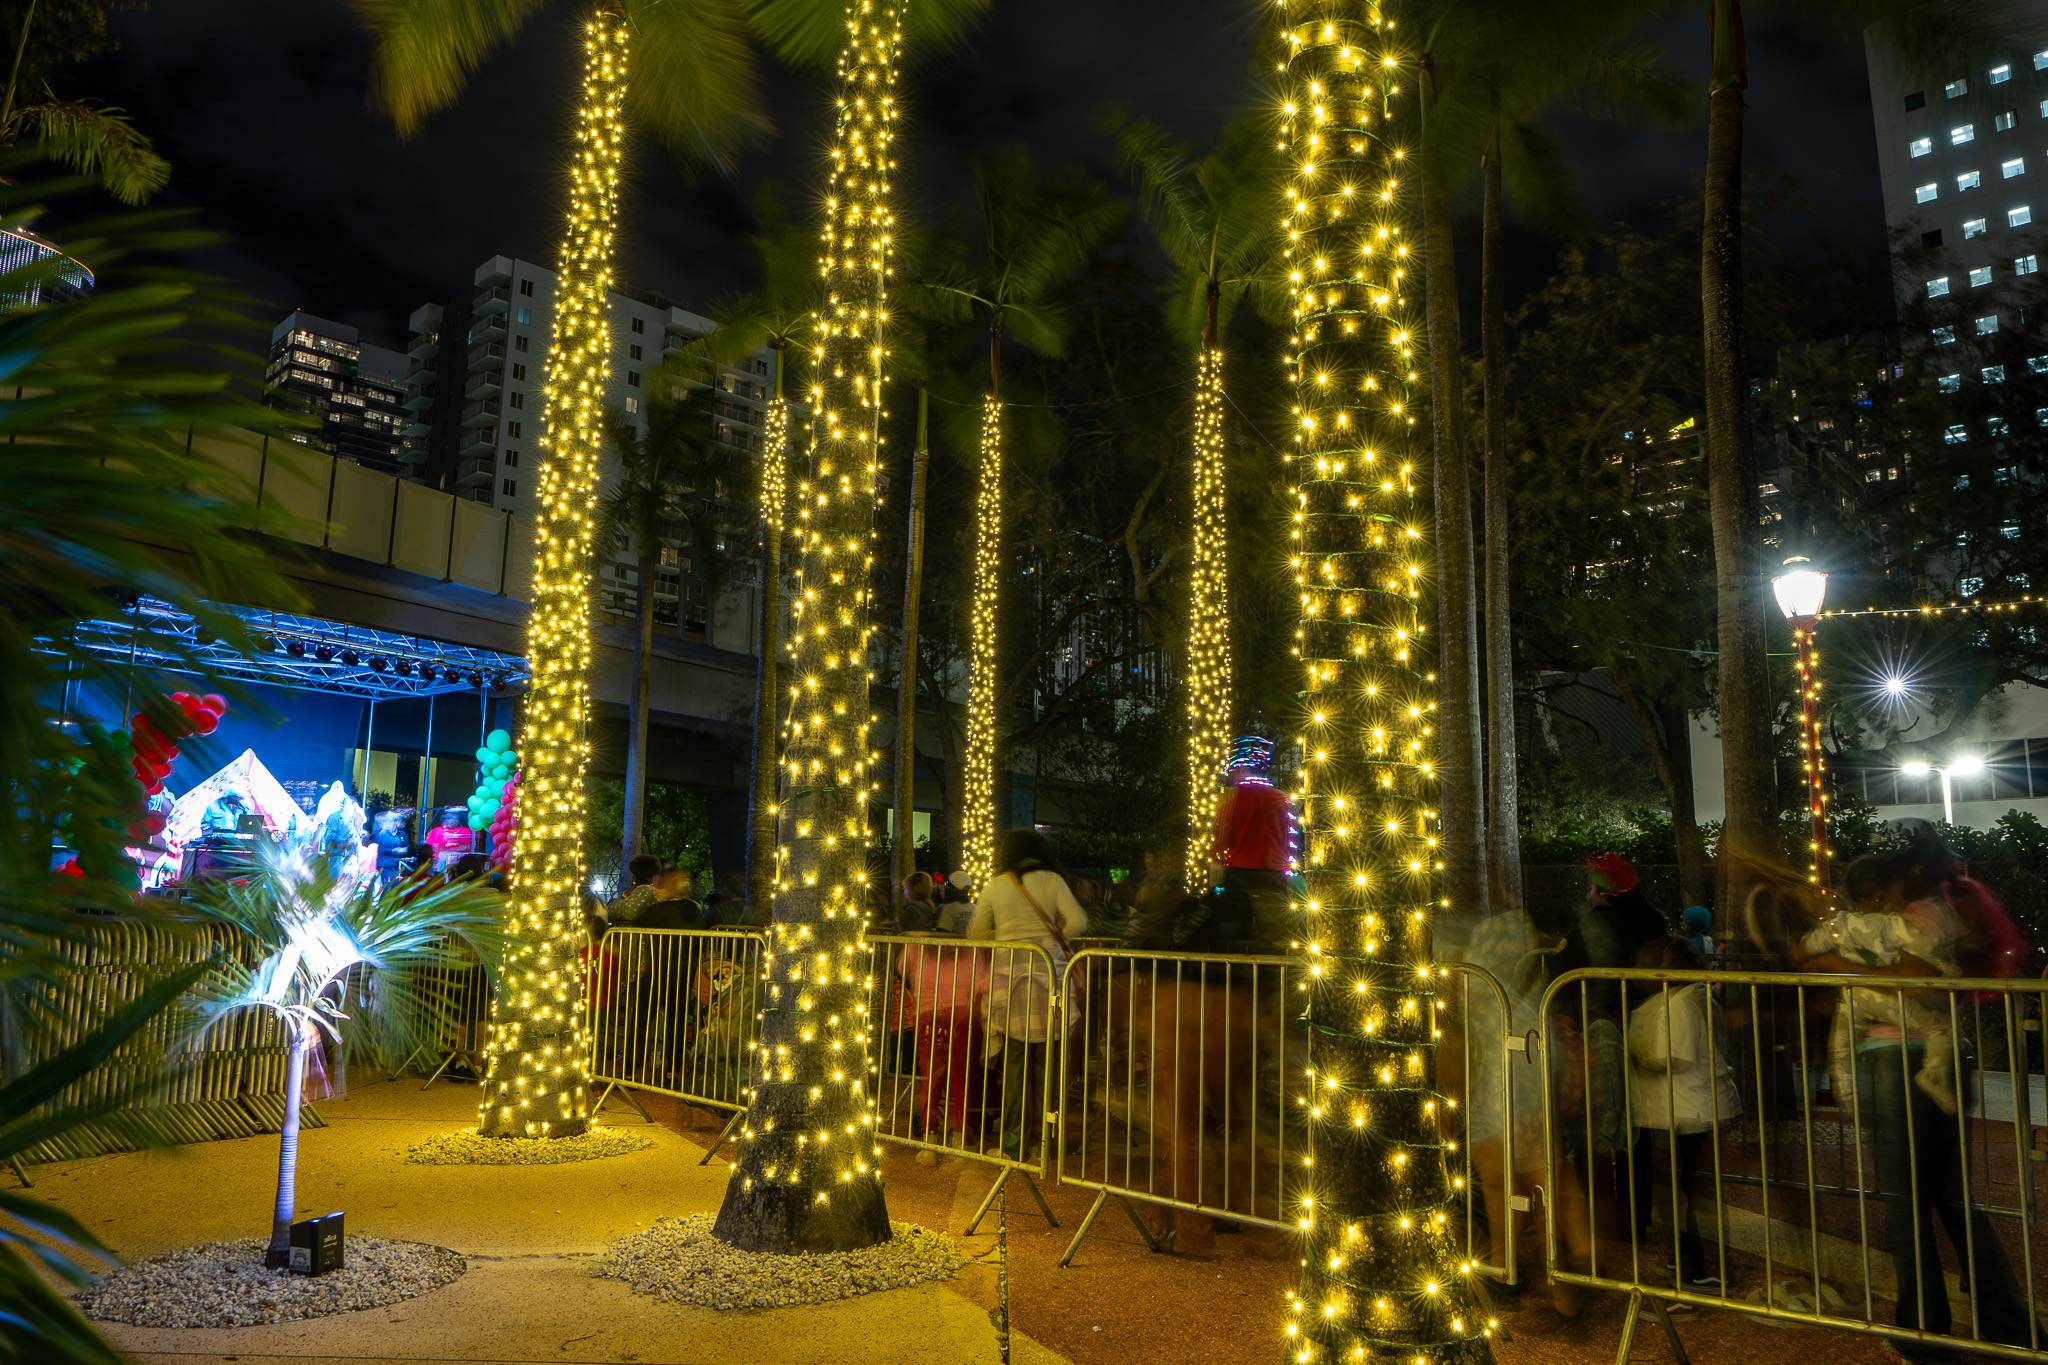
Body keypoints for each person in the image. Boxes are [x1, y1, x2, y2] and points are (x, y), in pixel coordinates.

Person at [1793, 851, 2035, 1365]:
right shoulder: (1937, 909)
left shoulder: (1914, 917)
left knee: (1907, 1207)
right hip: (1935, 1056)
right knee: (1951, 1199)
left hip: (1897, 1059)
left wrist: (1836, 964)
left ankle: (1923, 1336)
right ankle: (2007, 1324)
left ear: (1889, 888)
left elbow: (1919, 975)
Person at [1625, 935, 1740, 1296]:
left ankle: (1692, 1274)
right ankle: (1686, 1264)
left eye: (1645, 966)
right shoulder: (1691, 998)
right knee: (1684, 1190)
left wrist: (1640, 1059)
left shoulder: (1677, 1005)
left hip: (1686, 1108)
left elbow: (1676, 1057)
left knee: (1683, 1193)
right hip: (1690, 1106)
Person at [967, 829, 1087, 1162]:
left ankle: (1012, 1146)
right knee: (1047, 1066)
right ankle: (1042, 1143)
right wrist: (1049, 939)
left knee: (1015, 1065)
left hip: (1009, 981)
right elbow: (1078, 921)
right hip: (1049, 978)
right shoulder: (1052, 880)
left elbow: (977, 933)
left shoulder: (995, 884)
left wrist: (1006, 936)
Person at [1206, 734, 1297, 952]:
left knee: (1234, 934)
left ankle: (1236, 978)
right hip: (1274, 875)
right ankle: (1270, 978)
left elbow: (1220, 840)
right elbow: (1292, 841)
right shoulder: (1283, 798)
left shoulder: (1231, 797)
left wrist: (1215, 874)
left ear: (1239, 768)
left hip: (1241, 874)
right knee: (1274, 936)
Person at [607, 852, 665, 926]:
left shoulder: (632, 899)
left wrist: (626, 894)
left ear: (634, 878)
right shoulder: (661, 896)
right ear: (654, 878)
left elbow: (608, 913)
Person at [423, 808, 473, 872]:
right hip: (440, 864)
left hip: (460, 864)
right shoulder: (436, 831)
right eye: (446, 818)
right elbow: (431, 849)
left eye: (451, 818)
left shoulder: (467, 832)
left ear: (459, 819)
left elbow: (469, 847)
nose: (448, 820)